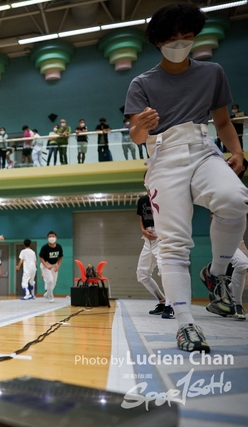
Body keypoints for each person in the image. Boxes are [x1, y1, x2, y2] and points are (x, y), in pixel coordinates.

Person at [125, 3, 248, 352]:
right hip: (164, 155)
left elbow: (222, 121)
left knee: (235, 199)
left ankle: (216, 273)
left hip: (202, 147)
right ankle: (185, 325)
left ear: (195, 36)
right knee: (174, 244)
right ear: (158, 41)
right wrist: (140, 126)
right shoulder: (142, 83)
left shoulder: (212, 73)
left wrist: (237, 152)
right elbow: (136, 136)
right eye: (172, 38)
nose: (179, 43)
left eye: (187, 36)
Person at [136, 183, 174, 319]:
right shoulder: (142, 200)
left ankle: (171, 305)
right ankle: (162, 301)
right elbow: (141, 218)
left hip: (161, 237)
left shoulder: (164, 198)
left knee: (164, 270)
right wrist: (143, 231)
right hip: (148, 239)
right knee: (142, 274)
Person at [39, 231, 63, 302]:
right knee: (50, 280)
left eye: (53, 236)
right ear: (47, 238)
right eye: (50, 236)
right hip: (47, 264)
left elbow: (60, 257)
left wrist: (58, 266)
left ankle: (47, 294)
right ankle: (50, 297)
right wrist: (46, 266)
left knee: (54, 283)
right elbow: (41, 258)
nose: (51, 238)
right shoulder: (45, 247)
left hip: (55, 265)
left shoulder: (59, 247)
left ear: (56, 238)